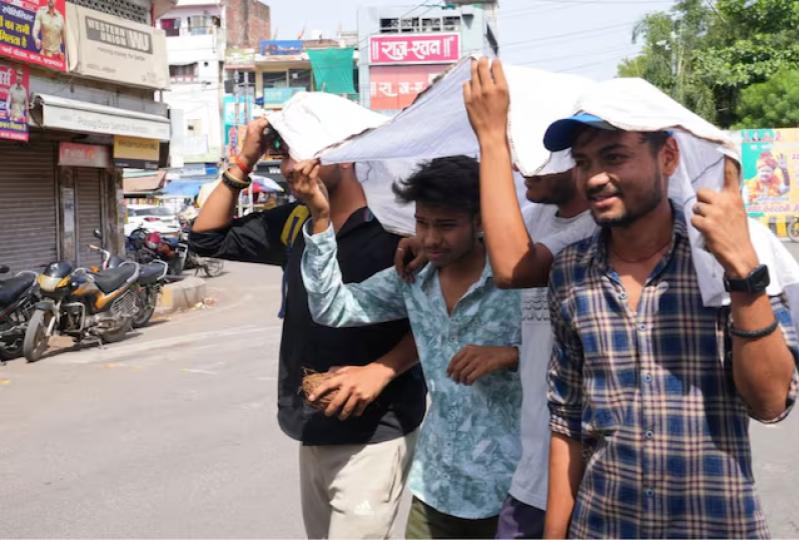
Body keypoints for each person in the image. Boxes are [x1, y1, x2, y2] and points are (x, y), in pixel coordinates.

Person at [538, 115, 799, 537]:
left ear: (667, 156)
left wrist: (743, 271)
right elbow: (566, 421)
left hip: (714, 525)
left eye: (614, 157)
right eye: (584, 161)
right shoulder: (570, 271)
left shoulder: (725, 254)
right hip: (601, 525)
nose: (594, 178)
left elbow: (771, 403)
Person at [190, 118, 427, 539]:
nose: (288, 165)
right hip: (312, 421)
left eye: (302, 148)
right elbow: (207, 240)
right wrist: (244, 160)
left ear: (345, 153)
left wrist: (383, 369)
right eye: (284, 152)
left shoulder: (400, 229)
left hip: (378, 427)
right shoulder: (295, 222)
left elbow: (435, 314)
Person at [300, 155, 523, 539]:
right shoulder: (413, 278)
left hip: (512, 488)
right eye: (423, 223)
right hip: (436, 485)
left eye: (447, 226)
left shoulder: (519, 278)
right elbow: (331, 309)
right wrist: (321, 221)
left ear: (481, 220)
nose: (432, 238)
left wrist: (511, 355)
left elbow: (571, 353)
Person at [456, 58, 597, 538]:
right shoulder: (538, 219)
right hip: (535, 457)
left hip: (585, 462)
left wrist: (491, 136)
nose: (517, 163)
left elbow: (514, 269)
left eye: (529, 145)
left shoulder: (598, 229)